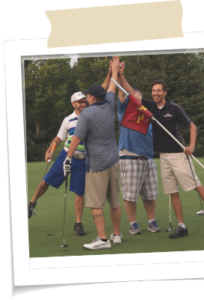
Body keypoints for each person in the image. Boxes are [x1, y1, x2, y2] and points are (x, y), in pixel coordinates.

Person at [118, 75, 204, 239]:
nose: (156, 93)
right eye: (154, 91)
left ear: (164, 92)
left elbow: (192, 126)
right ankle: (181, 226)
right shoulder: (150, 107)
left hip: (178, 154)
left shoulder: (174, 108)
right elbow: (131, 93)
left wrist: (191, 146)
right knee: (172, 192)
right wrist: (121, 75)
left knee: (195, 184)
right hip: (163, 157)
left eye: (159, 91)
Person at [63, 56, 122, 250]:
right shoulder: (108, 104)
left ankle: (103, 240)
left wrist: (68, 158)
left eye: (87, 95)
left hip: (96, 165)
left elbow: (77, 139)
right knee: (114, 201)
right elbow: (112, 85)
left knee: (96, 203)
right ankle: (117, 234)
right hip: (114, 161)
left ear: (91, 98)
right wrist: (113, 70)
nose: (85, 98)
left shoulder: (86, 114)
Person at [28, 91, 87, 236]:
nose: (83, 104)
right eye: (80, 102)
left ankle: (78, 223)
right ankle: (31, 203)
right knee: (47, 180)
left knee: (79, 192)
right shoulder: (68, 120)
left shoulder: (90, 117)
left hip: (82, 160)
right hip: (66, 155)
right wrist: (49, 150)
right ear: (73, 104)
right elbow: (59, 138)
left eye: (84, 101)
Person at [116, 68, 160, 235]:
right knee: (130, 195)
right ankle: (133, 223)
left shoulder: (148, 113)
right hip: (130, 157)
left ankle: (151, 221)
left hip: (148, 158)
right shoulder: (124, 111)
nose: (135, 97)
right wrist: (119, 75)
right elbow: (123, 94)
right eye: (132, 96)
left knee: (150, 194)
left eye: (137, 95)